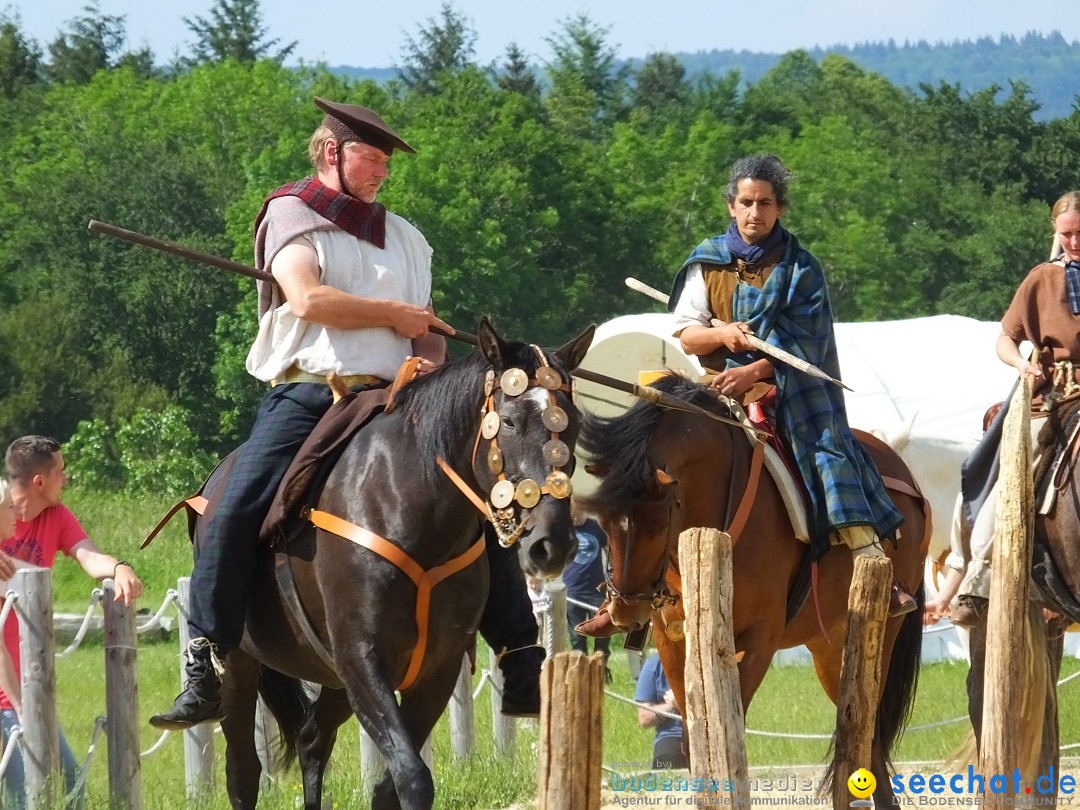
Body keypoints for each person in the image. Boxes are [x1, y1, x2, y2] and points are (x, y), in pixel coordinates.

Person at [151, 97, 544, 729]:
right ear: (331, 151)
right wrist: (392, 315)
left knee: (476, 499)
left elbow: (430, 336)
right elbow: (307, 299)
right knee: (233, 504)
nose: (382, 170)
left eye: (386, 160)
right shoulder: (291, 214)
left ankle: (521, 655)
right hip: (312, 392)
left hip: (402, 397)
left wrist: (429, 360)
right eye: (370, 156)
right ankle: (207, 661)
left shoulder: (409, 238)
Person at [669, 153, 915, 616]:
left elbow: (809, 346)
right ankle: (633, 593)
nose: (754, 213)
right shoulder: (706, 262)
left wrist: (755, 370)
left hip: (788, 390)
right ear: (730, 205)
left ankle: (870, 557)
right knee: (652, 450)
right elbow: (686, 333)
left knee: (825, 452)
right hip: (715, 385)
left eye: (764, 203)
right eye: (746, 202)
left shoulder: (804, 270)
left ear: (780, 208)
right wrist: (723, 335)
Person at [950, 190, 1080, 628]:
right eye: (1067, 234)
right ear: (1055, 233)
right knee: (1012, 475)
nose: (1075, 241)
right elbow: (1005, 337)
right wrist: (1022, 362)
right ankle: (979, 580)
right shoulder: (1042, 279)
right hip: (1052, 402)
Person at [2, 438, 145, 809]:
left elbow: (89, 555)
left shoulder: (56, 516)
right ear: (38, 481)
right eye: (60, 473)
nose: (65, 479)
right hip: (9, 696)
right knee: (30, 798)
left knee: (68, 793)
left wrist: (119, 567)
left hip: (29, 689)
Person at [564, 505, 612, 680]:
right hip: (572, 591)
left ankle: (601, 669)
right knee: (577, 637)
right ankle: (581, 674)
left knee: (603, 633)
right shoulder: (564, 528)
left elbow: (610, 550)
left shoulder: (595, 527)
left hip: (596, 590)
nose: (571, 514)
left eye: (572, 509)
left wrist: (613, 575)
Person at [634, 653, 687, 770]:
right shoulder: (654, 664)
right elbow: (644, 718)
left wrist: (683, 702)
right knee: (667, 774)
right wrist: (673, 705)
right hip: (672, 737)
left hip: (709, 735)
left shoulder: (710, 660)